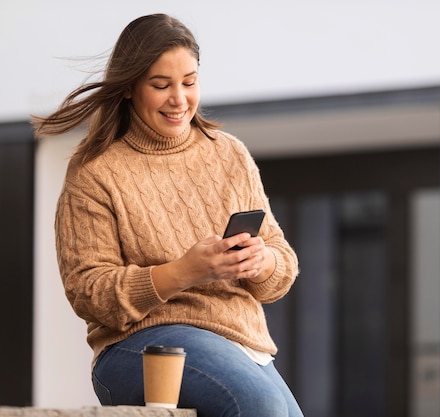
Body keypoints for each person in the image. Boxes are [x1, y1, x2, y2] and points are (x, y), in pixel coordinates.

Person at [33, 13, 303, 417]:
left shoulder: (229, 154)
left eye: (189, 82)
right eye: (161, 85)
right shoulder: (95, 172)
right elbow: (89, 292)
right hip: (141, 344)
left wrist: (261, 261)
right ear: (129, 88)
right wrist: (185, 271)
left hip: (243, 345)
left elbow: (281, 263)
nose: (180, 99)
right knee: (260, 405)